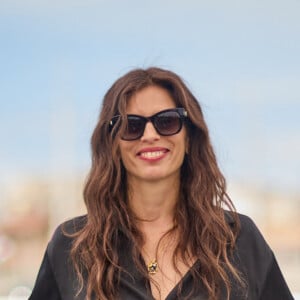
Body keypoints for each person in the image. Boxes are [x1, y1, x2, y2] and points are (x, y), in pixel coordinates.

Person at [29, 67, 294, 300]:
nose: (150, 135)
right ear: (113, 144)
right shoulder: (71, 247)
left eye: (167, 121)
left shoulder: (239, 240)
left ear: (189, 137)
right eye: (131, 126)